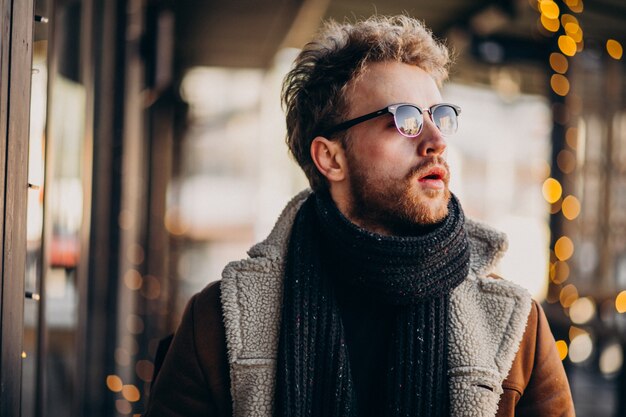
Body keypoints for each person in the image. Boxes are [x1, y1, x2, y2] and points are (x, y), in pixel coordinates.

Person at [145, 15, 575, 417]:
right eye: (404, 119)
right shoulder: (218, 323)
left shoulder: (515, 323)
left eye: (440, 117)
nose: (436, 140)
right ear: (330, 159)